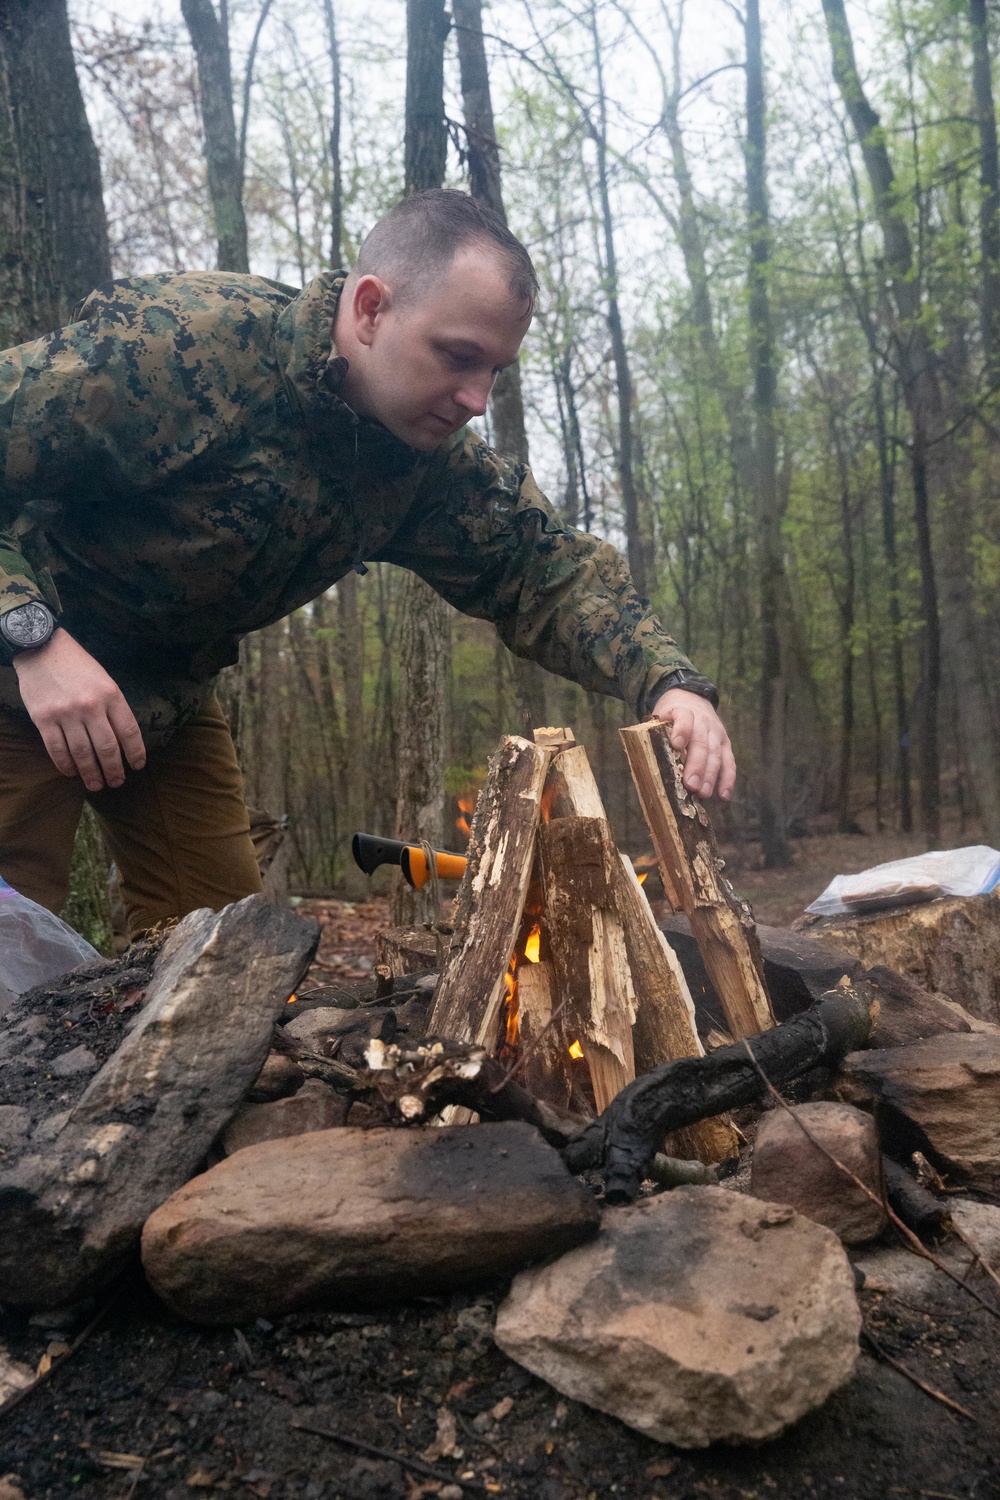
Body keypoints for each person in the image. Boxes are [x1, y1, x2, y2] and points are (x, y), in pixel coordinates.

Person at [0, 189, 735, 939]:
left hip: (167, 695)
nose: (477, 399)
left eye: (496, 372)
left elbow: (538, 567)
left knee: (221, 954)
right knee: (12, 955)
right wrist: (32, 637)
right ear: (371, 308)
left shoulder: (418, 461)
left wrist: (669, 684)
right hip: (21, 667)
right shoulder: (180, 351)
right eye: (458, 356)